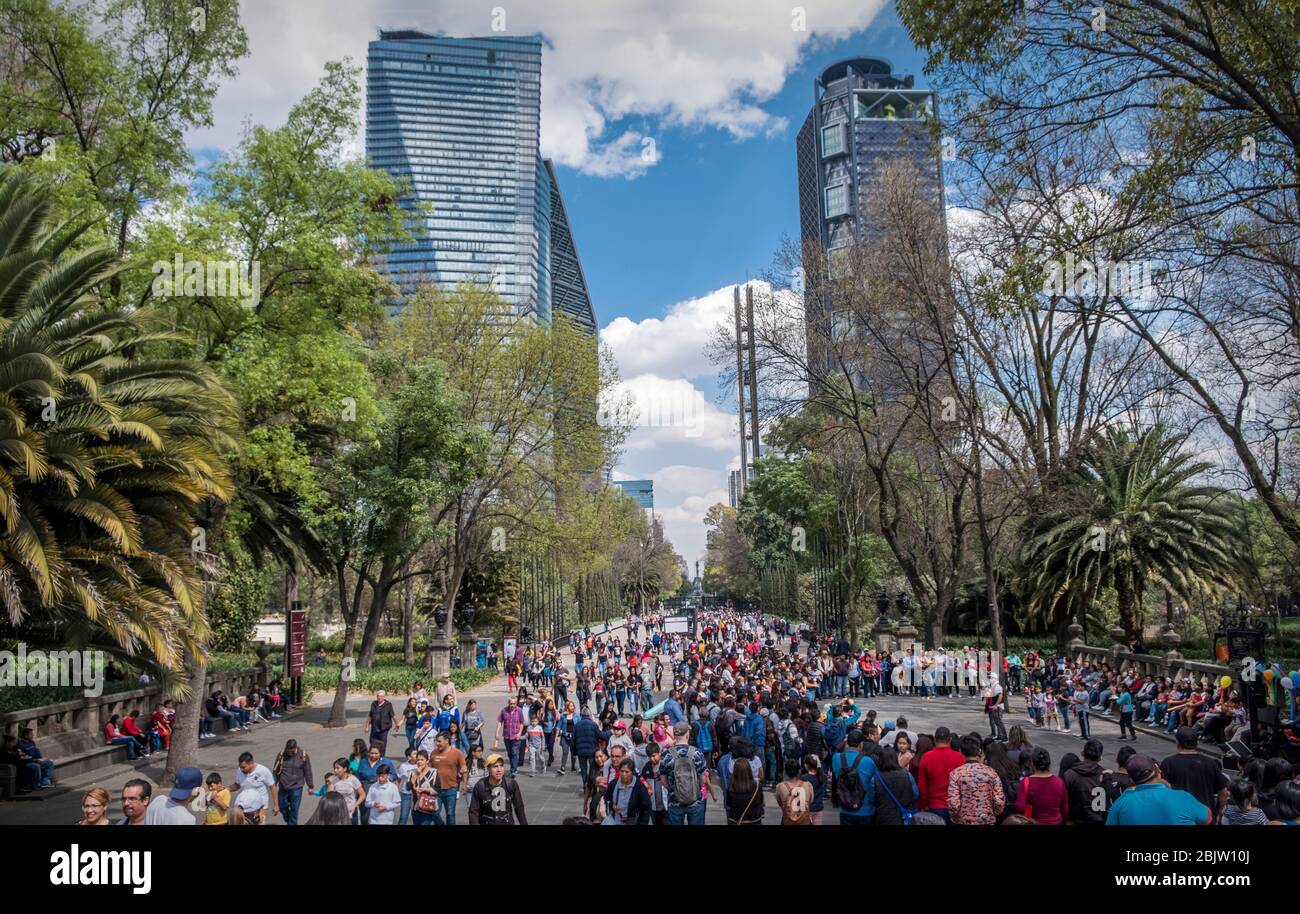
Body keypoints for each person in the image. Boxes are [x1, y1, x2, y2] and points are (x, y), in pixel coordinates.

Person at [1105, 755, 1212, 825]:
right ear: (1158, 770)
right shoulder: (1183, 797)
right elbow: (1207, 818)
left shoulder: (1121, 803)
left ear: (1132, 780)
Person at [1160, 727, 1229, 817]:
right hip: (1205, 815)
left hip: (1179, 816)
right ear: (1197, 743)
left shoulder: (1168, 763)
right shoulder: (1210, 763)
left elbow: (1163, 790)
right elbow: (1223, 792)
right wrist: (1218, 812)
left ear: (1177, 742)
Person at [661, 720, 711, 825]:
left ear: (674, 735)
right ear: (687, 734)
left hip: (675, 801)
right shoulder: (697, 753)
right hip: (695, 800)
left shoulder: (666, 754)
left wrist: (673, 789)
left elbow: (663, 781)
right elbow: (703, 779)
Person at [947, 736, 1006, 826]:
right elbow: (999, 801)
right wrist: (991, 814)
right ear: (979, 751)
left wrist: (956, 818)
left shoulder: (956, 773)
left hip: (963, 821)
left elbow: (953, 803)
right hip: (987, 820)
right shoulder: (991, 772)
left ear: (961, 752)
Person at [831, 729, 880, 824]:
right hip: (866, 810)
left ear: (846, 743)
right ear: (861, 744)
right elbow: (876, 783)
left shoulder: (836, 758)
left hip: (844, 808)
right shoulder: (868, 761)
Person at [917, 726, 964, 822]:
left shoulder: (926, 757)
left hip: (934, 804)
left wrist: (923, 804)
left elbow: (922, 785)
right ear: (950, 740)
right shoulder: (959, 757)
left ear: (934, 739)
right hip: (955, 804)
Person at [468, 753, 528, 825]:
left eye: (501, 766)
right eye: (495, 766)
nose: (499, 770)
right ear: (488, 769)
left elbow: (519, 807)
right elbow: (473, 812)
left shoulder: (511, 784)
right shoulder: (480, 786)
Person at [1014, 747, 1069, 825]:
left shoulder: (1027, 781)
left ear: (1032, 764)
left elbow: (1020, 807)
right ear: (1049, 763)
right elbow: (1064, 807)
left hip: (1034, 821)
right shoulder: (1059, 781)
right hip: (1056, 821)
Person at [429, 730, 468, 825]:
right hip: (436, 790)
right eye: (436, 741)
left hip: (451, 789)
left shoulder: (457, 753)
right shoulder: (433, 753)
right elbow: (429, 770)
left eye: (439, 741)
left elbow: (464, 770)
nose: (437, 744)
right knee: (434, 813)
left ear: (447, 740)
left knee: (450, 814)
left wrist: (465, 785)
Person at [1063, 738, 1105, 825]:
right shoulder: (1105, 774)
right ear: (1100, 757)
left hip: (1076, 820)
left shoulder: (1070, 774)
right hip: (1100, 821)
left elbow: (1065, 802)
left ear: (1083, 753)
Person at [873, 746, 918, 826]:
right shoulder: (907, 775)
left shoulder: (876, 778)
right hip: (904, 816)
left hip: (884, 817)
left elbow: (871, 798)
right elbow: (915, 795)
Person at [272, 738, 313, 826]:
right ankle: (290, 821)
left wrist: (310, 786)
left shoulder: (303, 755)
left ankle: (292, 823)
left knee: (294, 809)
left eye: (292, 751)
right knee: (282, 807)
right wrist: (274, 783)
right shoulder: (281, 754)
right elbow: (276, 769)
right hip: (283, 786)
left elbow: (308, 771)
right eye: (288, 751)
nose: (290, 753)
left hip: (296, 787)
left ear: (295, 748)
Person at [233, 751, 277, 824]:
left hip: (260, 806)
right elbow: (237, 785)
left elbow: (272, 787)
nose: (241, 769)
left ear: (251, 764)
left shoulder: (263, 770)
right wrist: (226, 789)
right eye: (240, 767)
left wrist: (276, 805)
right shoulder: (240, 771)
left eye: (243, 767)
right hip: (245, 807)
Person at [603, 757, 651, 824]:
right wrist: (612, 805)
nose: (624, 774)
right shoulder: (613, 784)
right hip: (616, 820)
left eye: (627, 772)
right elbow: (606, 799)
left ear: (632, 772)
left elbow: (646, 808)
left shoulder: (639, 787)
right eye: (622, 771)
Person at [725, 752, 764, 825]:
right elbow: (760, 801)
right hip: (754, 820)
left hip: (737, 820)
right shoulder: (757, 786)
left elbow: (729, 803)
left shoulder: (731, 787)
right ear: (749, 770)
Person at [494, 695, 528, 776]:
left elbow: (522, 723)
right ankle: (513, 767)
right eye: (511, 703)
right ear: (508, 703)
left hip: (516, 736)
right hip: (507, 736)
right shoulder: (504, 711)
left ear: (516, 703)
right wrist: (497, 732)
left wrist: (519, 733)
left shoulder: (519, 711)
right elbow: (499, 721)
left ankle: (514, 770)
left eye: (514, 704)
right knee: (509, 753)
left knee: (514, 752)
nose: (512, 705)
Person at [329, 757, 366, 825]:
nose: (335, 770)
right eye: (334, 768)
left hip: (351, 813)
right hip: (337, 813)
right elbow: (329, 797)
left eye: (337, 768)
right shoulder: (333, 780)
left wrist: (354, 806)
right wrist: (330, 784)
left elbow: (362, 795)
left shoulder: (353, 779)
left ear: (345, 769)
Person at [367, 690, 396, 756]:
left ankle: (382, 756)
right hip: (374, 727)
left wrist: (397, 724)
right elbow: (370, 715)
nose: (379, 698)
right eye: (378, 696)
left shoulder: (388, 704)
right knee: (372, 742)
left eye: (381, 696)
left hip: (384, 728)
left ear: (384, 697)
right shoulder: (373, 704)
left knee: (382, 743)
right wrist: (367, 726)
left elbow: (393, 715)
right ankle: (373, 755)